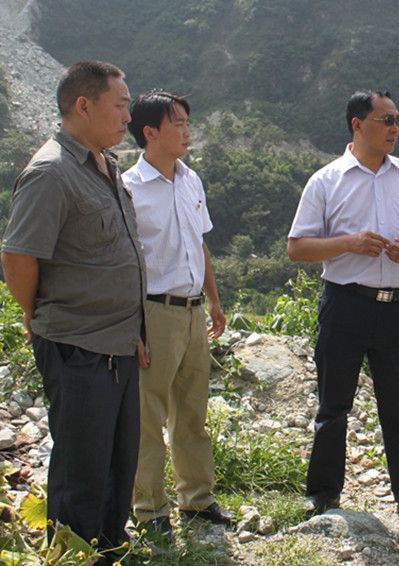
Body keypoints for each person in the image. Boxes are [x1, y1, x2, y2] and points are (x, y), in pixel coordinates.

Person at [1, 60, 144, 560]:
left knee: (117, 462)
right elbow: (18, 257)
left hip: (118, 342)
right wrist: (37, 313)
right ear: (83, 105)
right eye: (120, 105)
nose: (128, 116)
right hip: (77, 345)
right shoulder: (51, 172)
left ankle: (109, 547)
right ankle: (71, 555)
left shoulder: (105, 165)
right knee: (81, 470)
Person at [287, 90, 399, 527]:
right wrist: (350, 243)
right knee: (333, 404)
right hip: (345, 304)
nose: (395, 128)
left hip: (397, 306)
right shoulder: (326, 181)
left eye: (398, 120)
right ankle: (323, 494)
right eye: (386, 120)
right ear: (358, 125)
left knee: (398, 404)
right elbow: (297, 248)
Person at [122, 90, 233, 537]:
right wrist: (132, 324)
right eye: (179, 123)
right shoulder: (129, 188)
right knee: (148, 416)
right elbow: (123, 261)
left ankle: (197, 500)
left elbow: (198, 243)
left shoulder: (191, 180)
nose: (188, 131)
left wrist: (214, 300)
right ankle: (149, 510)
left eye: (188, 122)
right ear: (150, 132)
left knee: (192, 412)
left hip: (192, 311)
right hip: (153, 311)